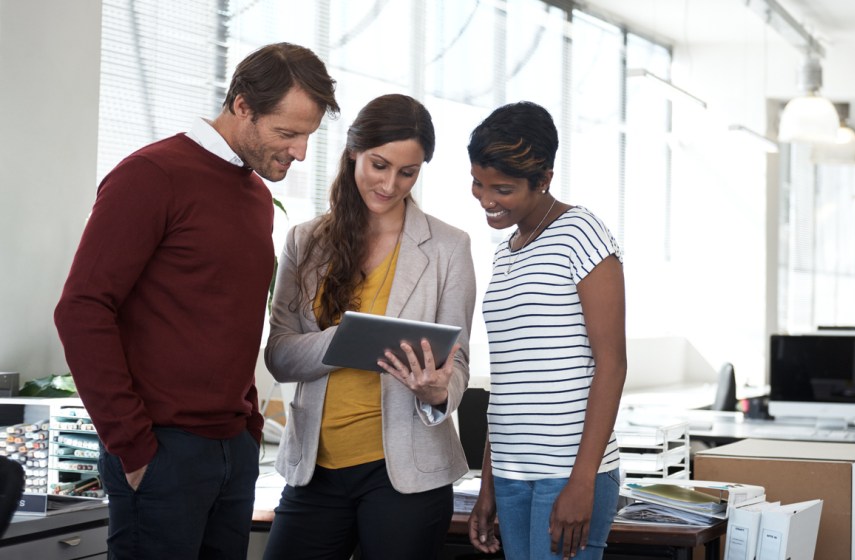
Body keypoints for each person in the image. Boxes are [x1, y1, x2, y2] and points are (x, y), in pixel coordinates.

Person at [53, 43, 339, 559]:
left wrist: (249, 427)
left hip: (232, 450)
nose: (300, 152)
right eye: (288, 133)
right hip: (161, 452)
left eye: (308, 136)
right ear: (243, 106)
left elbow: (228, 327)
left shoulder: (255, 199)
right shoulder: (151, 175)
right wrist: (133, 446)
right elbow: (82, 309)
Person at [261, 93, 476, 560]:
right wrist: (341, 341)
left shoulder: (448, 247)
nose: (390, 184)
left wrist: (439, 391)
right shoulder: (306, 240)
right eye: (379, 165)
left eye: (408, 172)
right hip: (314, 470)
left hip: (406, 472)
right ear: (354, 151)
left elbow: (456, 359)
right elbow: (279, 355)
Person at [466, 101, 627, 560]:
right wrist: (489, 484)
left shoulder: (582, 234)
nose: (486, 199)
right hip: (513, 474)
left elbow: (612, 365)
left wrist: (582, 482)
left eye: (503, 188)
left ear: (544, 181)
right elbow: (510, 381)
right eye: (478, 183)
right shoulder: (506, 252)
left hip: (570, 473)